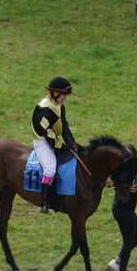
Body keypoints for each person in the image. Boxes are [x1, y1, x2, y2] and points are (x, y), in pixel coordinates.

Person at [31, 77, 76, 213]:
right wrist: (59, 146)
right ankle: (45, 202)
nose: (65, 98)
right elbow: (43, 130)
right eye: (63, 95)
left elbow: (64, 126)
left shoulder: (59, 106)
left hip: (52, 139)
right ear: (54, 93)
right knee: (50, 168)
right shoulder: (43, 107)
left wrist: (71, 142)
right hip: (41, 141)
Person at [107, 144, 137, 271]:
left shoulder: (133, 168)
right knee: (128, 240)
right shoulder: (118, 172)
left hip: (128, 210)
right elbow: (109, 182)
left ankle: (118, 261)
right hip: (122, 209)